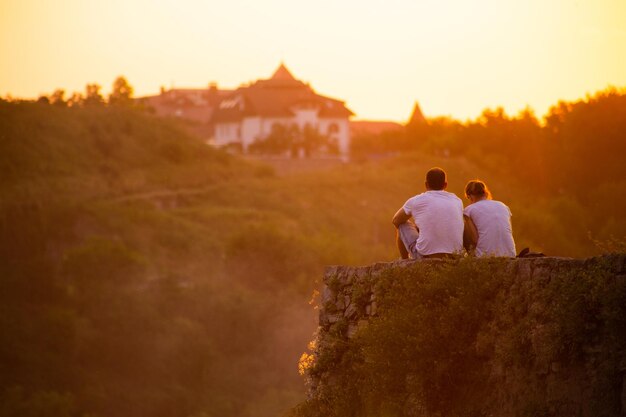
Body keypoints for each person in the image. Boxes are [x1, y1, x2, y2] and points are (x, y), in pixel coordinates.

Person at [392, 167, 464, 259]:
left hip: (426, 257)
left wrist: (416, 228)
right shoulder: (457, 201)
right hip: (455, 256)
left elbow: (396, 220)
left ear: (426, 184)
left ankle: (405, 261)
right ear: (445, 185)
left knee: (402, 224)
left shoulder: (416, 200)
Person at [463, 179, 516, 257]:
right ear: (486, 193)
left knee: (461, 225)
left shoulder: (469, 210)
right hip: (510, 254)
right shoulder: (503, 206)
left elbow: (474, 239)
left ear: (470, 196)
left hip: (485, 256)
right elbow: (509, 231)